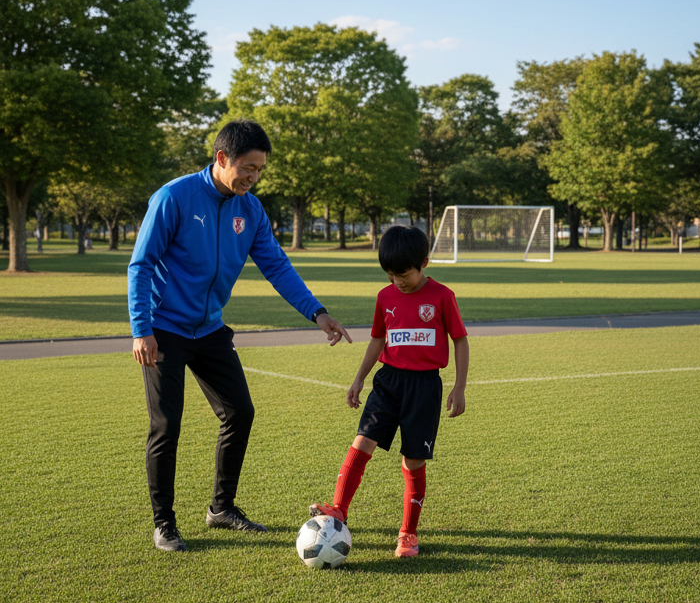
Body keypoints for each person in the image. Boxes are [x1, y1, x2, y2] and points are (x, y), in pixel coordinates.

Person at [128, 119, 351, 553]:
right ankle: (164, 523)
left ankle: (221, 508)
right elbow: (141, 264)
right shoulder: (174, 197)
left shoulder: (250, 210)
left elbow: (277, 265)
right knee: (166, 425)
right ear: (222, 158)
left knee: (240, 412)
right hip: (164, 330)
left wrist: (317, 312)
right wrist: (142, 329)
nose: (253, 177)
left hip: (210, 329)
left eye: (260, 170)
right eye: (248, 167)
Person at [309, 225, 469, 557]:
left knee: (413, 461)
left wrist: (459, 386)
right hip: (388, 382)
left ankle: (408, 534)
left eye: (403, 274)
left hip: (424, 387)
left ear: (424, 263)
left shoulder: (442, 296)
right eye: (390, 274)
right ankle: (339, 508)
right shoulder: (385, 297)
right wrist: (359, 379)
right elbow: (378, 339)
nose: (397, 281)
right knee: (362, 441)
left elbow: (460, 340)